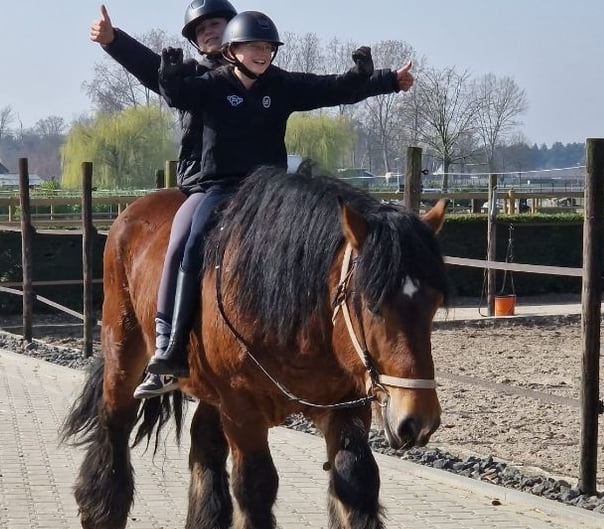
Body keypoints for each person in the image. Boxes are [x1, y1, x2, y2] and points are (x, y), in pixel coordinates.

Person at [146, 10, 414, 380]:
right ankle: (171, 344)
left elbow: (331, 88)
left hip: (270, 192)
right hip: (221, 187)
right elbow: (177, 95)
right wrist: (169, 73)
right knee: (190, 245)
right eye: (253, 47)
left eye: (268, 48)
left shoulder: (280, 84)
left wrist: (380, 79)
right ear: (231, 51)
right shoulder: (210, 84)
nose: (262, 54)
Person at [90, 1, 239, 399]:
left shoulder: (259, 75)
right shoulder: (187, 77)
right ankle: (167, 345)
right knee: (181, 246)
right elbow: (148, 67)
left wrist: (380, 80)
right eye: (201, 29)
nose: (209, 31)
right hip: (204, 183)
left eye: (217, 23)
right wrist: (114, 41)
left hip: (260, 186)